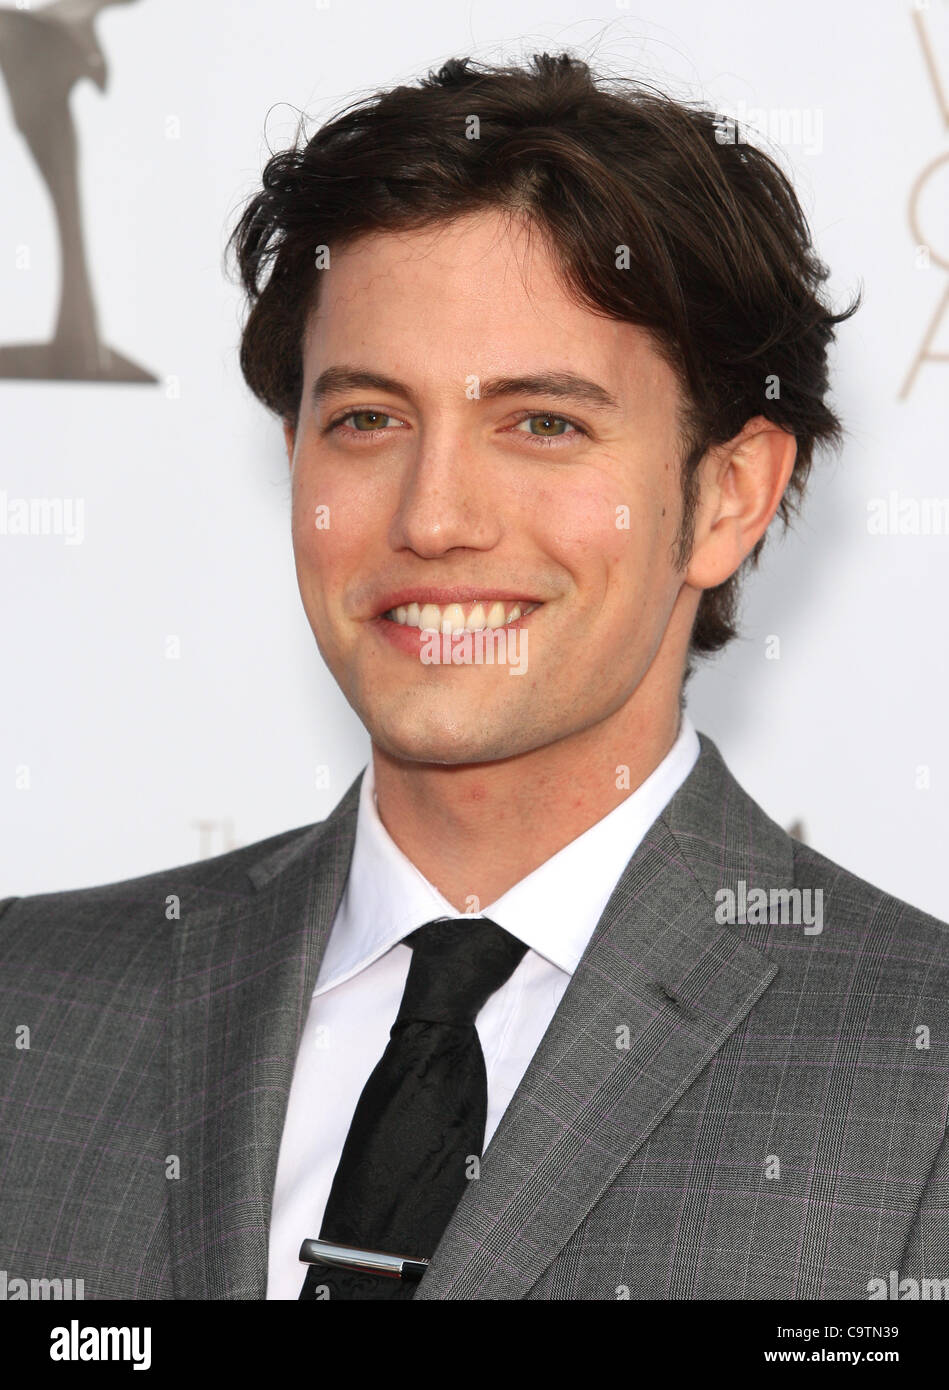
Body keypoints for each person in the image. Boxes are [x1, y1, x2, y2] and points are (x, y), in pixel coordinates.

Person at [1, 53, 946, 1302]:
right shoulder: (36, 1005)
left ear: (727, 495)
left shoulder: (915, 1079)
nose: (433, 516)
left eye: (542, 423)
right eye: (368, 420)